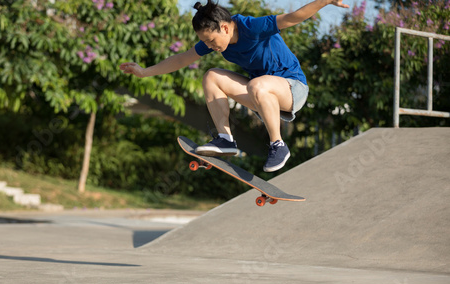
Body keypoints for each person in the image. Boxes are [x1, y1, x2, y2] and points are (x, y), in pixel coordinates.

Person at [120, 0, 349, 172]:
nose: (210, 46)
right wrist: (144, 72)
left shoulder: (253, 27)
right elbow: (182, 58)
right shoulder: (216, 41)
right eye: (206, 42)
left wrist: (325, 1)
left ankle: (278, 144)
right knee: (211, 76)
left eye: (211, 40)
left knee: (258, 85)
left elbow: (292, 17)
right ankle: (225, 139)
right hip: (260, 93)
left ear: (226, 28)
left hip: (292, 89)